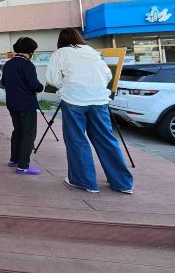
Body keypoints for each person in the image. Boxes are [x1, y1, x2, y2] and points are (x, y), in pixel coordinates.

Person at [46, 28, 134, 194]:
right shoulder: (92, 52)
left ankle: (84, 181)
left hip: (73, 100)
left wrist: (64, 86)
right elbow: (108, 75)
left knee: (77, 140)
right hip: (99, 100)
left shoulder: (60, 53)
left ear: (61, 40)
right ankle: (123, 183)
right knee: (106, 139)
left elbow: (52, 79)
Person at [1, 37, 44, 175]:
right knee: (28, 134)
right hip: (26, 104)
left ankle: (14, 160)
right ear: (30, 51)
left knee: (17, 131)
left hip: (12, 103)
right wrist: (41, 86)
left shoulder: (8, 64)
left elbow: (3, 83)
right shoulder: (27, 65)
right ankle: (23, 166)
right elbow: (34, 85)